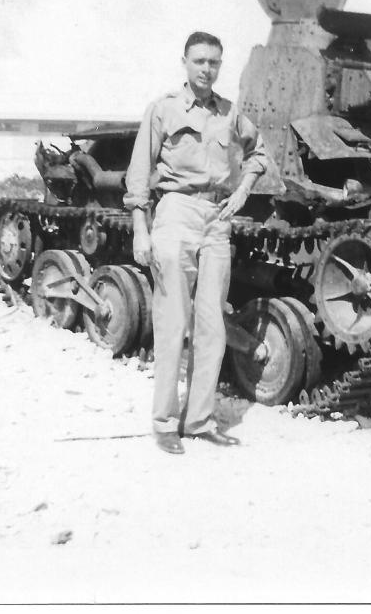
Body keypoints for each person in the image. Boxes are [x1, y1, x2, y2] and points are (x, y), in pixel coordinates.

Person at [124, 31, 268, 455]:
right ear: (184, 62)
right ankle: (165, 423)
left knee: (211, 326)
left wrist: (242, 192)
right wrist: (140, 228)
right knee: (172, 325)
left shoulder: (229, 112)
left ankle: (200, 420)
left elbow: (260, 153)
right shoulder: (163, 109)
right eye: (200, 60)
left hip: (217, 220)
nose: (207, 69)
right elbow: (138, 173)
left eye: (214, 62)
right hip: (175, 214)